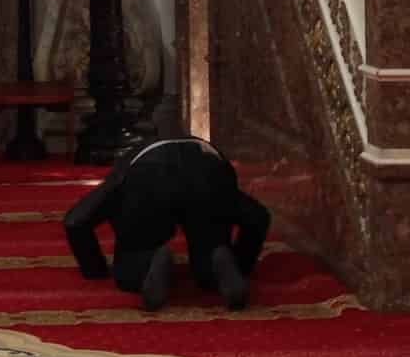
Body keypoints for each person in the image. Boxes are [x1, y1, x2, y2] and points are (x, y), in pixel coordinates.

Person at [64, 133, 271, 311]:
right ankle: (218, 260)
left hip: (148, 180)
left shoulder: (123, 176)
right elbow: (258, 217)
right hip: (209, 172)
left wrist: (95, 270)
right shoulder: (212, 161)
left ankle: (148, 261)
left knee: (131, 261)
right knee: (210, 249)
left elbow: (75, 221)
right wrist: (242, 264)